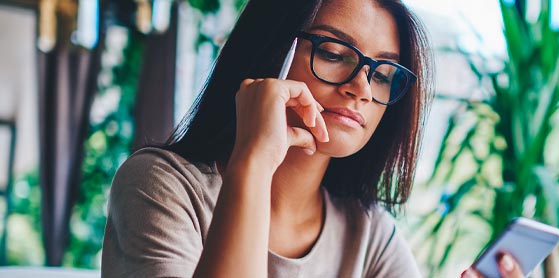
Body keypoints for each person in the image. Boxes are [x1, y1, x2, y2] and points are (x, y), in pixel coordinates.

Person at [100, 0, 525, 277]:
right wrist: (253, 161)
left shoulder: (369, 234)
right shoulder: (162, 186)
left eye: (382, 74)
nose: (361, 87)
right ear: (269, 52)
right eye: (334, 54)